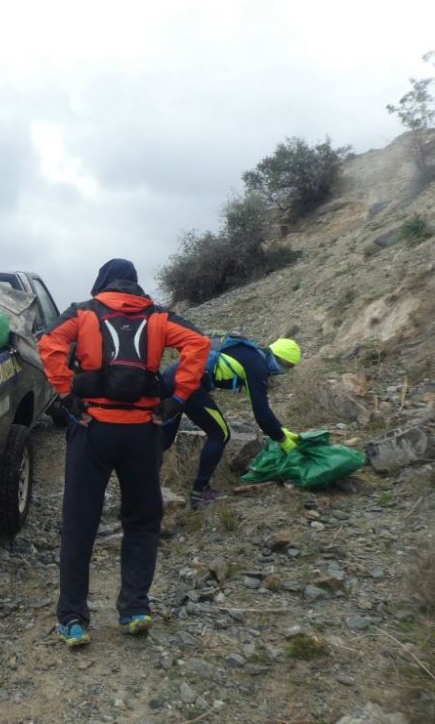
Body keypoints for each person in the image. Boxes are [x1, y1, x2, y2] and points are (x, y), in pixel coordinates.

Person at [38, 258, 210, 647]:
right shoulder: (159, 316)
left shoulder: (83, 312)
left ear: (103, 282)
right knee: (142, 521)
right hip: (142, 433)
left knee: (80, 524)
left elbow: (49, 343)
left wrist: (67, 394)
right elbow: (198, 344)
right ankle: (134, 609)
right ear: (134, 284)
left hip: (92, 430)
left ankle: (73, 619)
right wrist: (178, 398)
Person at [161, 335, 302, 508]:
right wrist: (283, 440)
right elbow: (262, 414)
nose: (284, 371)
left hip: (171, 379)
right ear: (280, 356)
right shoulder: (258, 366)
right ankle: (200, 492)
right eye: (286, 365)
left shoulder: (251, 354)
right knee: (219, 434)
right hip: (187, 385)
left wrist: (281, 430)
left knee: (163, 441)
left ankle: (140, 487)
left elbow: (262, 410)